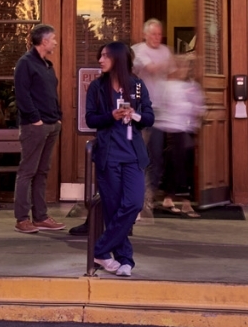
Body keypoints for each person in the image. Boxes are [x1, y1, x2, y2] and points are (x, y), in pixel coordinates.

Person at [85, 40, 153, 277]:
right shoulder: (97, 87)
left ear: (118, 59)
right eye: (100, 55)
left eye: (105, 56)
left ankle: (100, 250)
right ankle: (125, 260)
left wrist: (134, 115)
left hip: (132, 155)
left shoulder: (136, 86)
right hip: (108, 156)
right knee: (113, 210)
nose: (100, 60)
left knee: (133, 203)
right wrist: (111, 115)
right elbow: (91, 119)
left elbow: (149, 118)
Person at [12, 25, 67, 234]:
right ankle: (22, 219)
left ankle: (41, 217)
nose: (55, 42)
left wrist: (58, 117)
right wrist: (35, 120)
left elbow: (51, 93)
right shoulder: (25, 63)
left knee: (43, 172)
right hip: (34, 126)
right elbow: (22, 95)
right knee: (28, 171)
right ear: (43, 41)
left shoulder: (47, 65)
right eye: (53, 39)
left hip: (52, 124)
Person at [149, 41, 204, 216]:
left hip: (184, 130)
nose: (181, 70)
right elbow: (157, 107)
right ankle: (173, 200)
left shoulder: (191, 86)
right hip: (168, 131)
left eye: (185, 67)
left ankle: (177, 200)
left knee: (183, 166)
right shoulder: (164, 86)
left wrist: (196, 121)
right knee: (173, 165)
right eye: (179, 66)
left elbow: (199, 107)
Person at [131, 19, 175, 207]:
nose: (157, 37)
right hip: (141, 109)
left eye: (159, 34)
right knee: (138, 153)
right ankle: (136, 194)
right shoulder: (138, 50)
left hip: (161, 110)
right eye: (153, 34)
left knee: (157, 154)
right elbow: (151, 68)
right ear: (145, 35)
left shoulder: (165, 51)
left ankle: (150, 194)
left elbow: (173, 74)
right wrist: (173, 63)